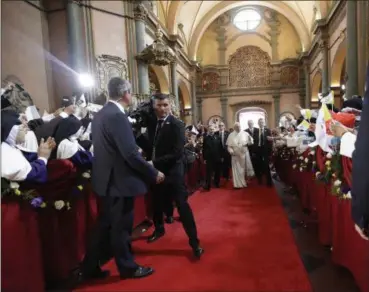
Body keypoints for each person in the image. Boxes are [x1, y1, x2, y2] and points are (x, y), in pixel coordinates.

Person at [75, 78, 165, 283]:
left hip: (106, 180)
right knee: (121, 228)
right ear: (126, 93)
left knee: (104, 226)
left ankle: (89, 267)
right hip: (118, 182)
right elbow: (130, 154)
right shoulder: (117, 116)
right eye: (131, 93)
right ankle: (128, 268)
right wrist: (152, 172)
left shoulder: (100, 114)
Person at [145, 93, 204, 258]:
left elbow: (177, 153)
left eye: (166, 105)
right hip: (157, 172)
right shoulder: (151, 124)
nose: (163, 109)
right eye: (159, 105)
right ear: (153, 106)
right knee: (156, 203)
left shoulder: (177, 124)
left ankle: (194, 242)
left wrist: (153, 162)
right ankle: (159, 229)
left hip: (174, 172)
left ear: (170, 106)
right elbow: (150, 144)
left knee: (182, 206)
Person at [226, 122, 254, 188]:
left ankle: (243, 182)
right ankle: (237, 185)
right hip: (235, 155)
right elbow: (229, 146)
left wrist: (250, 140)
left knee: (242, 170)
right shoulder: (231, 135)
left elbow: (250, 143)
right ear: (234, 128)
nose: (238, 128)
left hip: (243, 155)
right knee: (236, 170)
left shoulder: (245, 133)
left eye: (239, 126)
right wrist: (231, 151)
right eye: (237, 127)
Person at [202, 125, 222, 190]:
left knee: (217, 171)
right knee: (208, 172)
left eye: (212, 129)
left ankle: (217, 183)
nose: (211, 130)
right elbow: (204, 149)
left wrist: (221, 156)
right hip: (209, 158)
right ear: (208, 130)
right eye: (210, 129)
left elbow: (220, 148)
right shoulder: (206, 138)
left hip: (217, 157)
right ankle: (208, 185)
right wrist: (204, 158)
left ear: (214, 130)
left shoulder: (218, 137)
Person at [255, 118, 273, 187]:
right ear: (258, 123)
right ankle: (260, 180)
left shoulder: (268, 130)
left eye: (262, 122)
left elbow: (270, 142)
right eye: (260, 122)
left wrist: (270, 152)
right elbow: (254, 141)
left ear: (264, 123)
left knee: (267, 166)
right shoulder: (256, 131)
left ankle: (269, 182)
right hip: (258, 150)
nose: (261, 123)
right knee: (258, 166)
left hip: (265, 150)